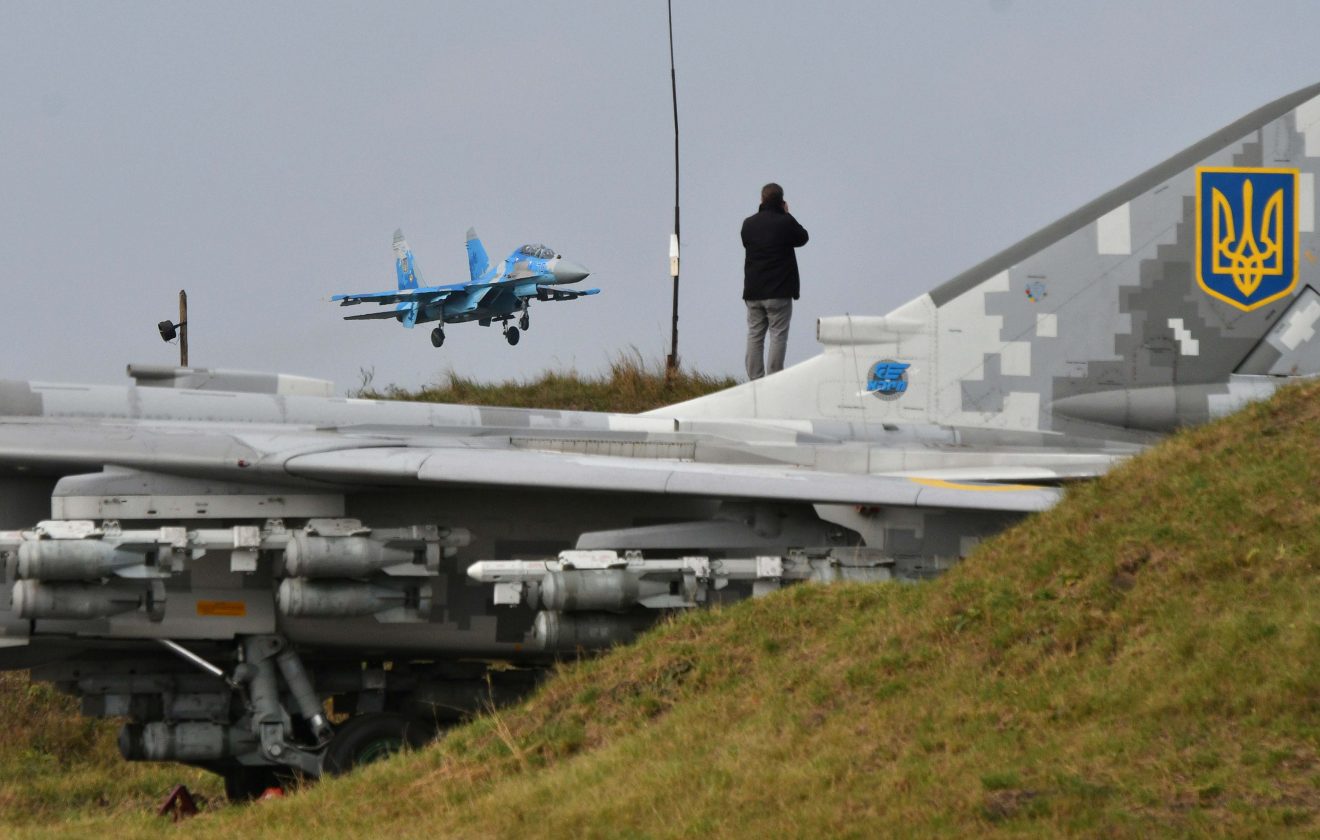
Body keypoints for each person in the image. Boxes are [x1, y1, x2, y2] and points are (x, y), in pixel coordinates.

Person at [741, 182, 809, 380]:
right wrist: (786, 214)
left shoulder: (748, 224)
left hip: (754, 291)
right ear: (782, 201)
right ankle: (773, 380)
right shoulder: (785, 222)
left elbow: (746, 242)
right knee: (778, 336)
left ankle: (755, 380)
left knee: (755, 335)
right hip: (779, 291)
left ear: (762, 199)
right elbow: (803, 237)